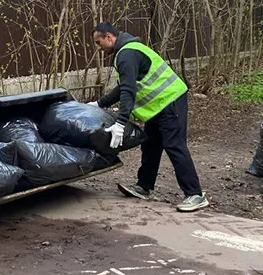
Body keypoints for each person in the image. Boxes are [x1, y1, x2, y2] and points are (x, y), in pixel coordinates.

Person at [89, 22, 209, 212]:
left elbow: (128, 90)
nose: (98, 47)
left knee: (174, 145)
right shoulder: (128, 51)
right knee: (151, 145)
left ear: (109, 37)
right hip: (159, 107)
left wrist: (120, 123)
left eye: (98, 42)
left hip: (170, 101)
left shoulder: (126, 54)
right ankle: (144, 186)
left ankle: (195, 194)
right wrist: (99, 104)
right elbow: (123, 87)